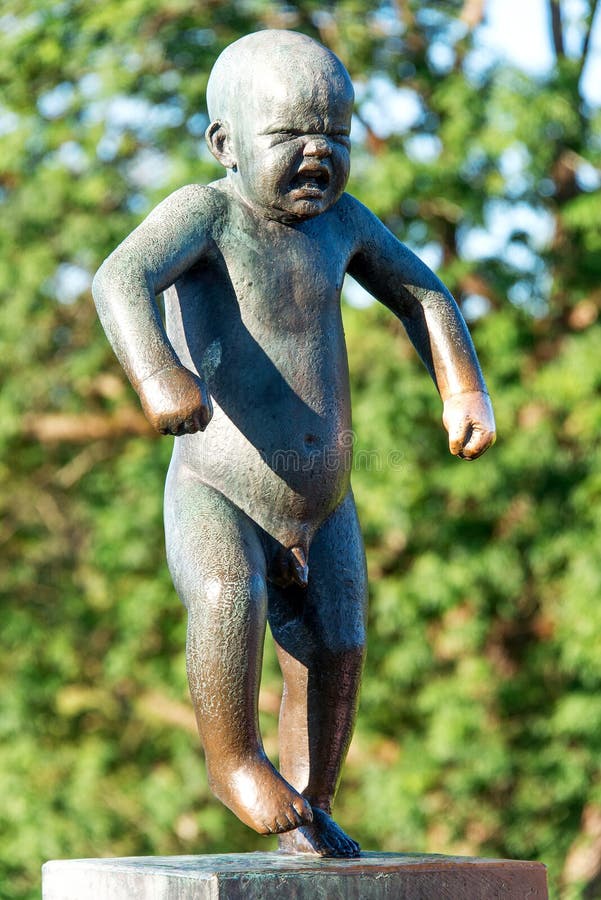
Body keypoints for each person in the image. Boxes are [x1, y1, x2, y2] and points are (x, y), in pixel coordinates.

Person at [92, 29, 496, 858]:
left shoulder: (342, 223)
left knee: (338, 643)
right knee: (226, 597)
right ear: (225, 144)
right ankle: (235, 762)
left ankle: (312, 803)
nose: (318, 153)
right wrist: (158, 374)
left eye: (335, 135)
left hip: (323, 502)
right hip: (217, 486)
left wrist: (462, 387)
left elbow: (421, 294)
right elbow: (118, 278)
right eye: (289, 135)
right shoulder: (205, 213)